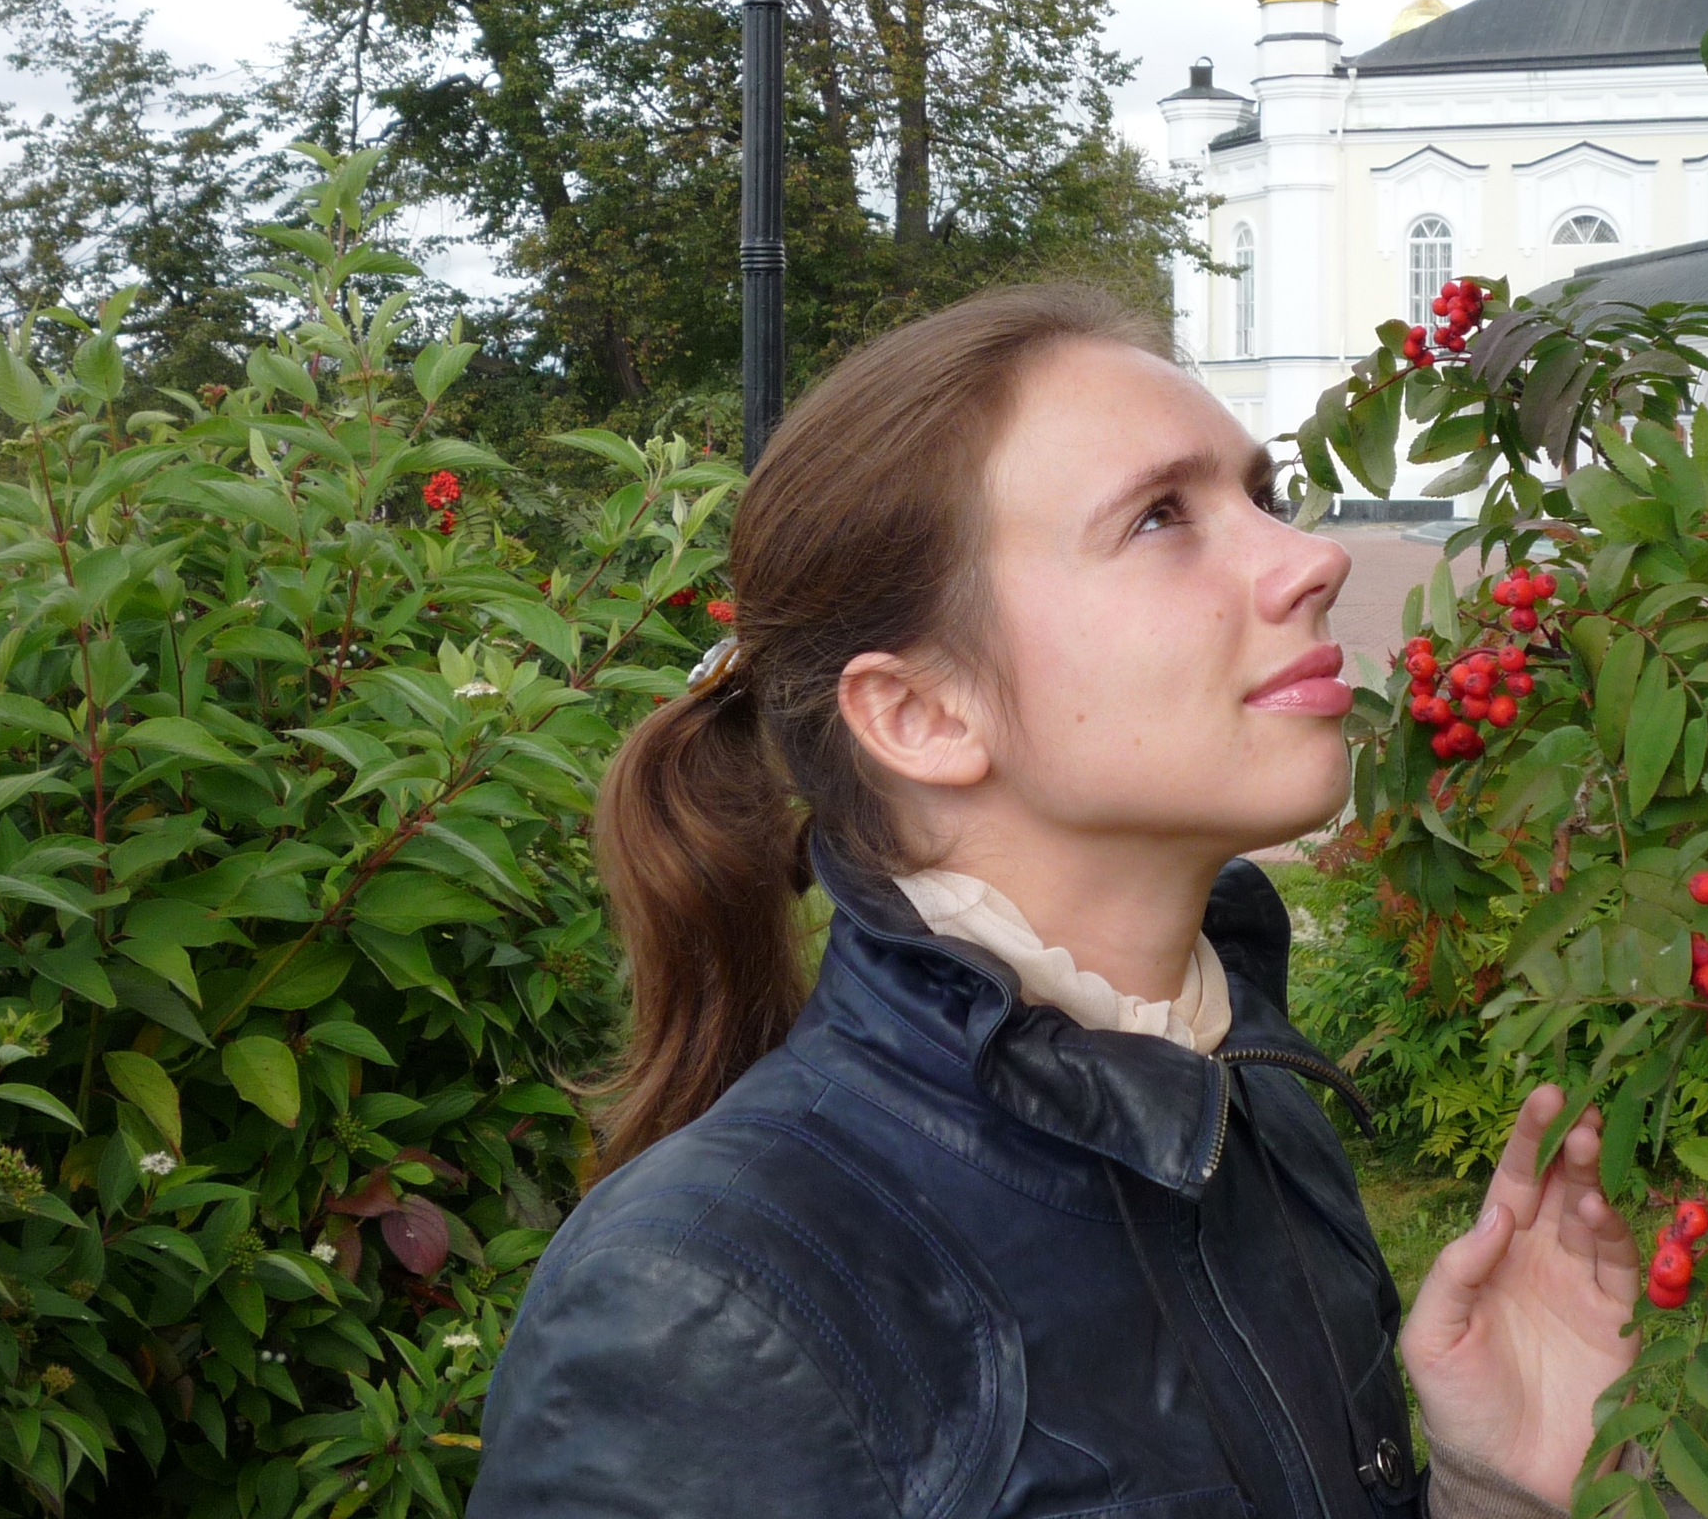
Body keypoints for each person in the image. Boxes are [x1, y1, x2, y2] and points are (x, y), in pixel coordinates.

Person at [470, 285, 1640, 1519]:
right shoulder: (703, 1301)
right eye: (1158, 517)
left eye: (1261, 496)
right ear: (921, 715)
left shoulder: (1246, 1111)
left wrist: (1497, 1494)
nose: (1314, 558)